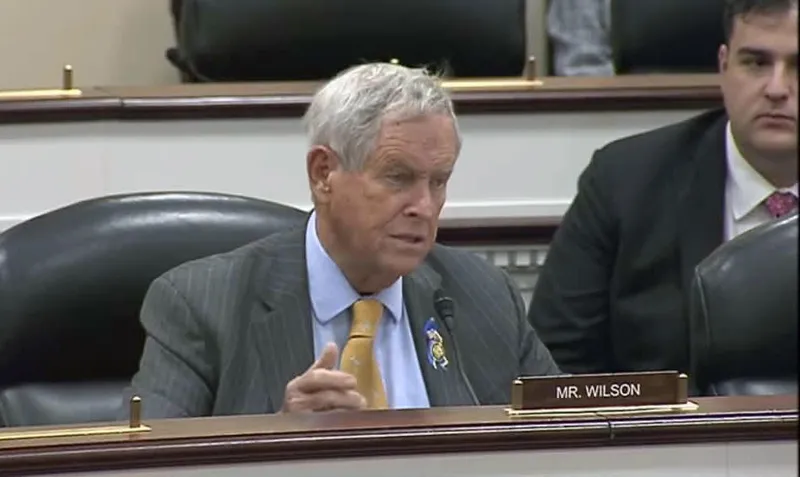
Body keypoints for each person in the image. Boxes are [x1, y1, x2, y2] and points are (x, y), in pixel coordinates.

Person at [124, 62, 560, 418]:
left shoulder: (484, 295)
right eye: (398, 177)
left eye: (438, 181)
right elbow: (146, 464)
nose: (425, 207)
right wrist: (273, 444)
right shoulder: (201, 305)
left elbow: (563, 441)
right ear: (323, 175)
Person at [528, 0, 797, 382]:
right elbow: (552, 367)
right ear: (724, 67)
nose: (777, 88)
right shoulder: (623, 183)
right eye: (756, 63)